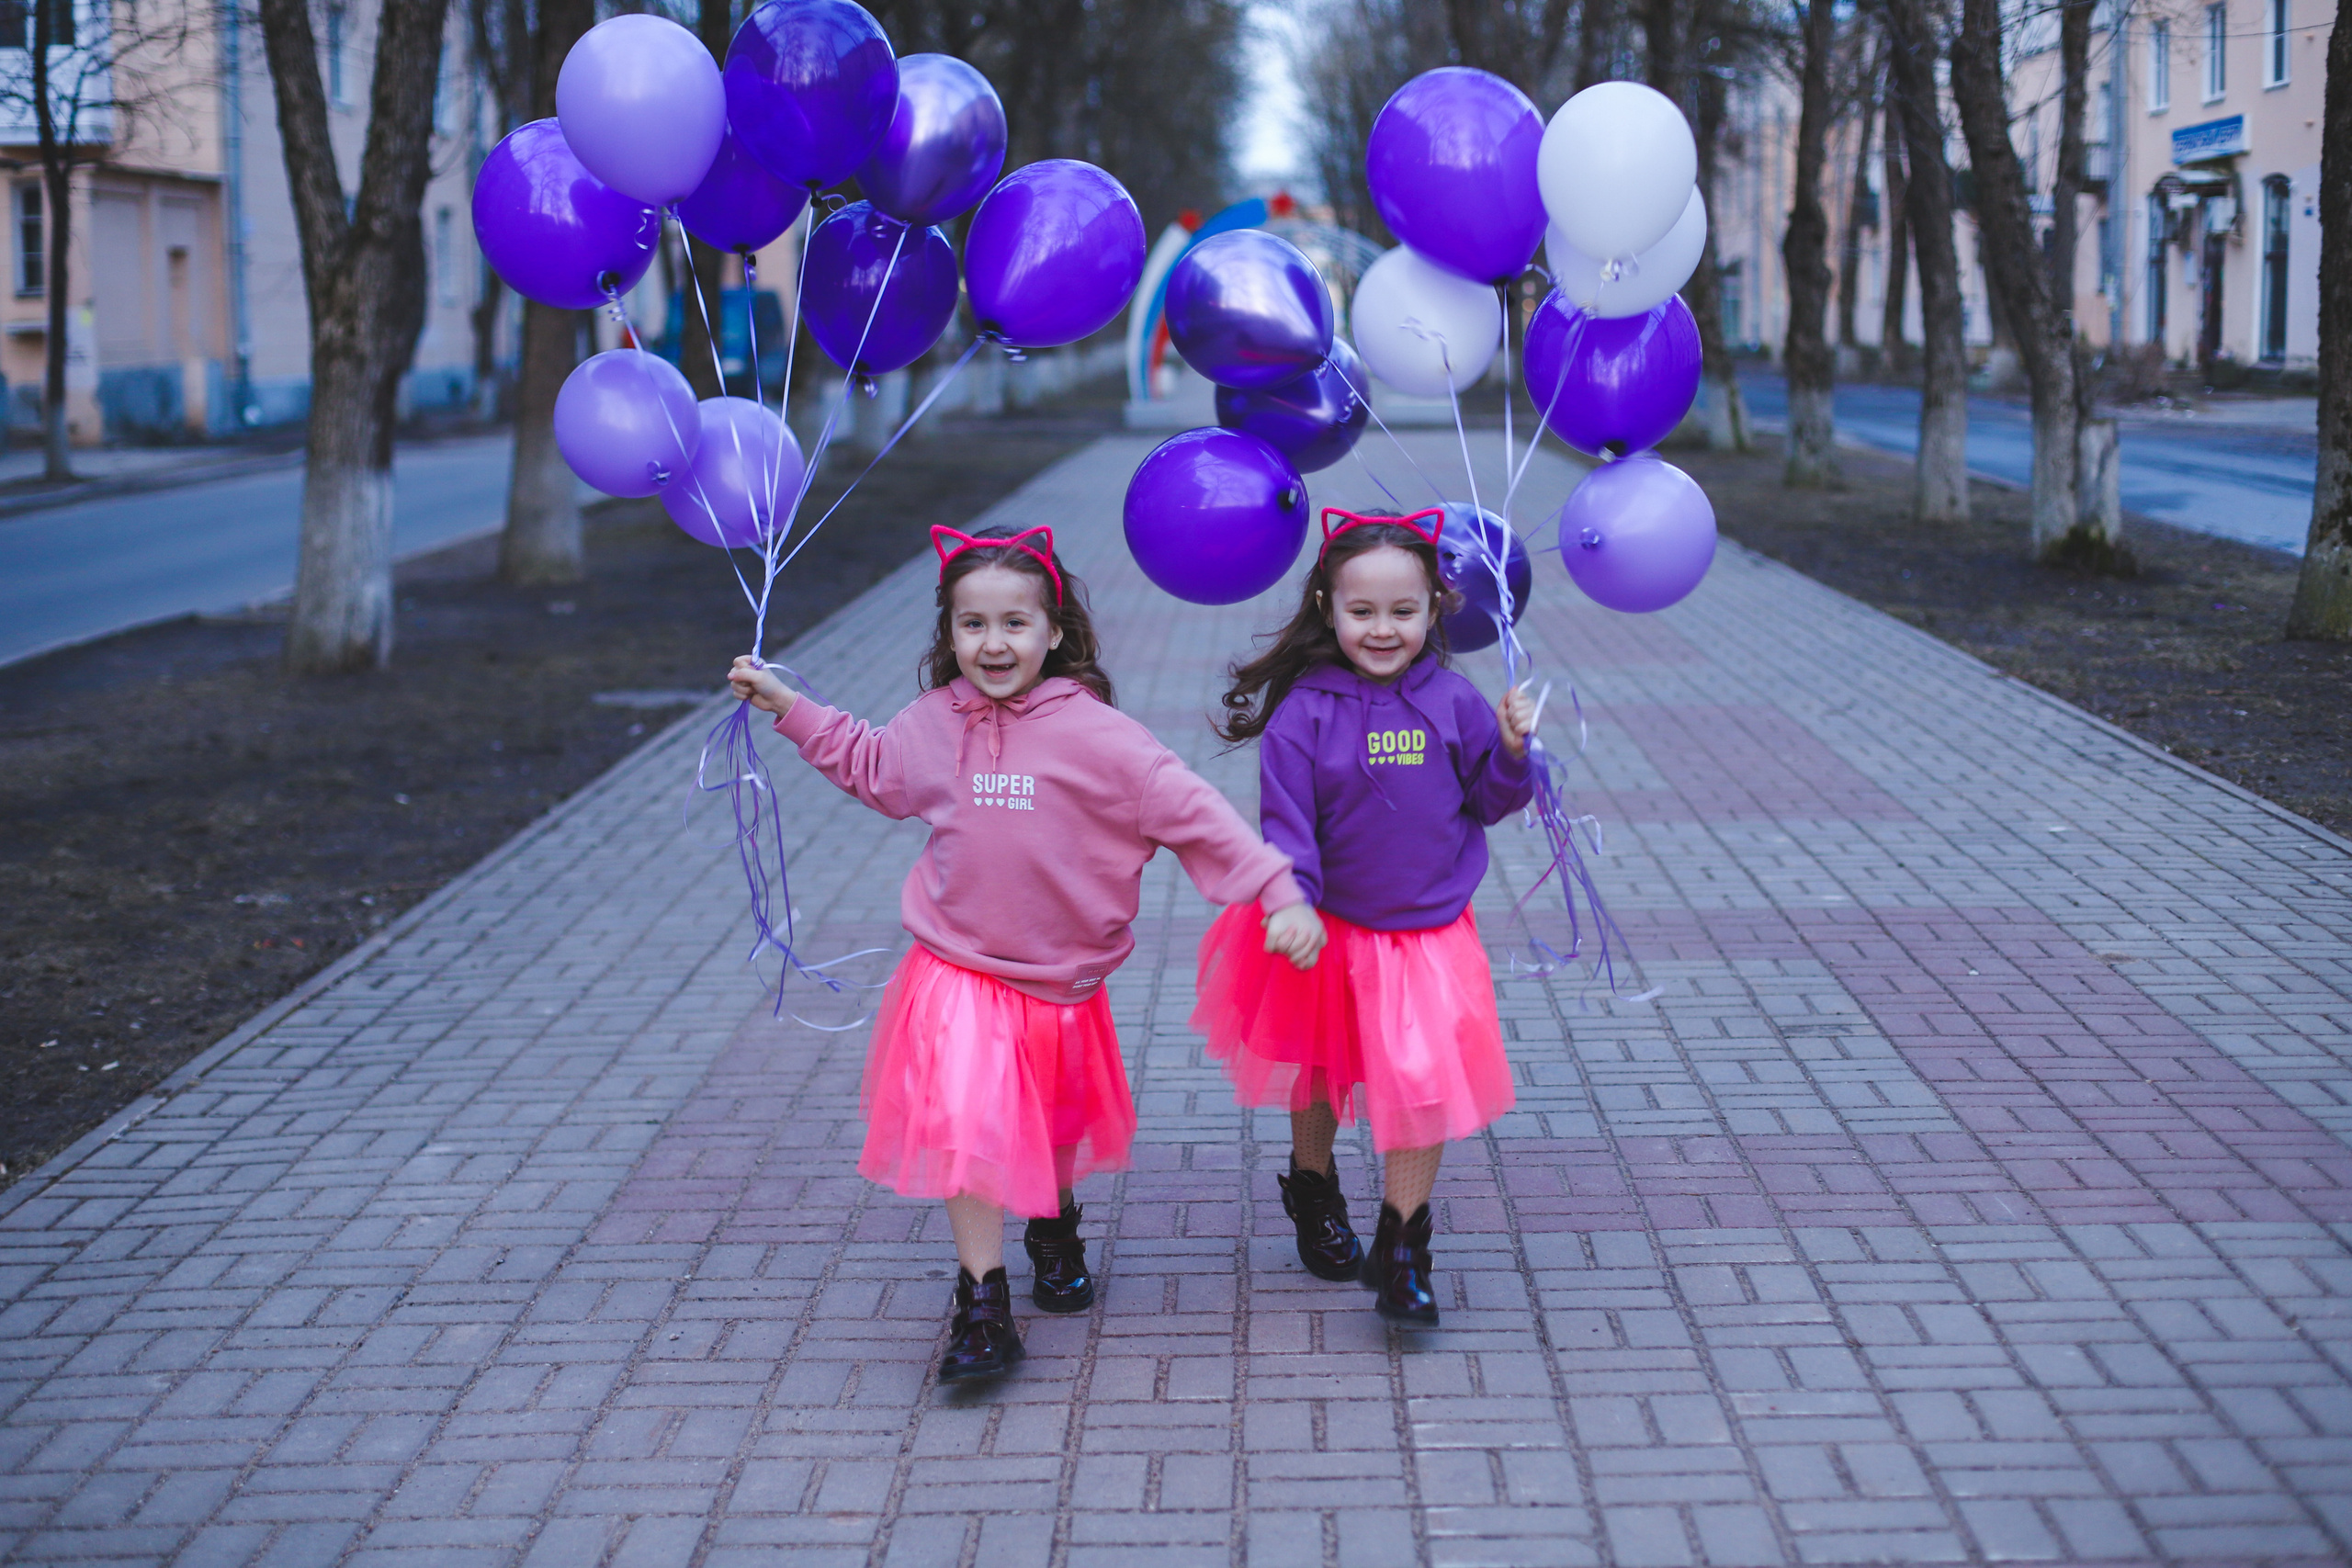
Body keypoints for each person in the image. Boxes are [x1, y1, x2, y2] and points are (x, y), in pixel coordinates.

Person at [728, 523, 1317, 1382]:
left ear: (1054, 631)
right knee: (967, 1121)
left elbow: (1198, 816)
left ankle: (1054, 1223)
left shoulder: (1105, 738)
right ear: (949, 632)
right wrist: (789, 705)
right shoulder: (935, 721)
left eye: (1014, 623)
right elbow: (869, 763)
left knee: (1050, 1123)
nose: (993, 644)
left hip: (1061, 977)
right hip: (957, 965)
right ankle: (983, 1302)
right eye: (973, 624)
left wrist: (1277, 890)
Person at [1193, 506, 1538, 1325]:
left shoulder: (1454, 700)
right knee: (1320, 1067)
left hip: (1427, 934)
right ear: (1328, 608)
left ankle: (1404, 1243)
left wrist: (1512, 752)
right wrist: (1294, 903)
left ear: (1435, 608)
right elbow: (1289, 827)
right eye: (1362, 611)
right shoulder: (1304, 713)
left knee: (1420, 1080)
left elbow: (1488, 801)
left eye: (1403, 610)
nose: (1383, 629)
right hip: (1325, 926)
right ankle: (1313, 1188)